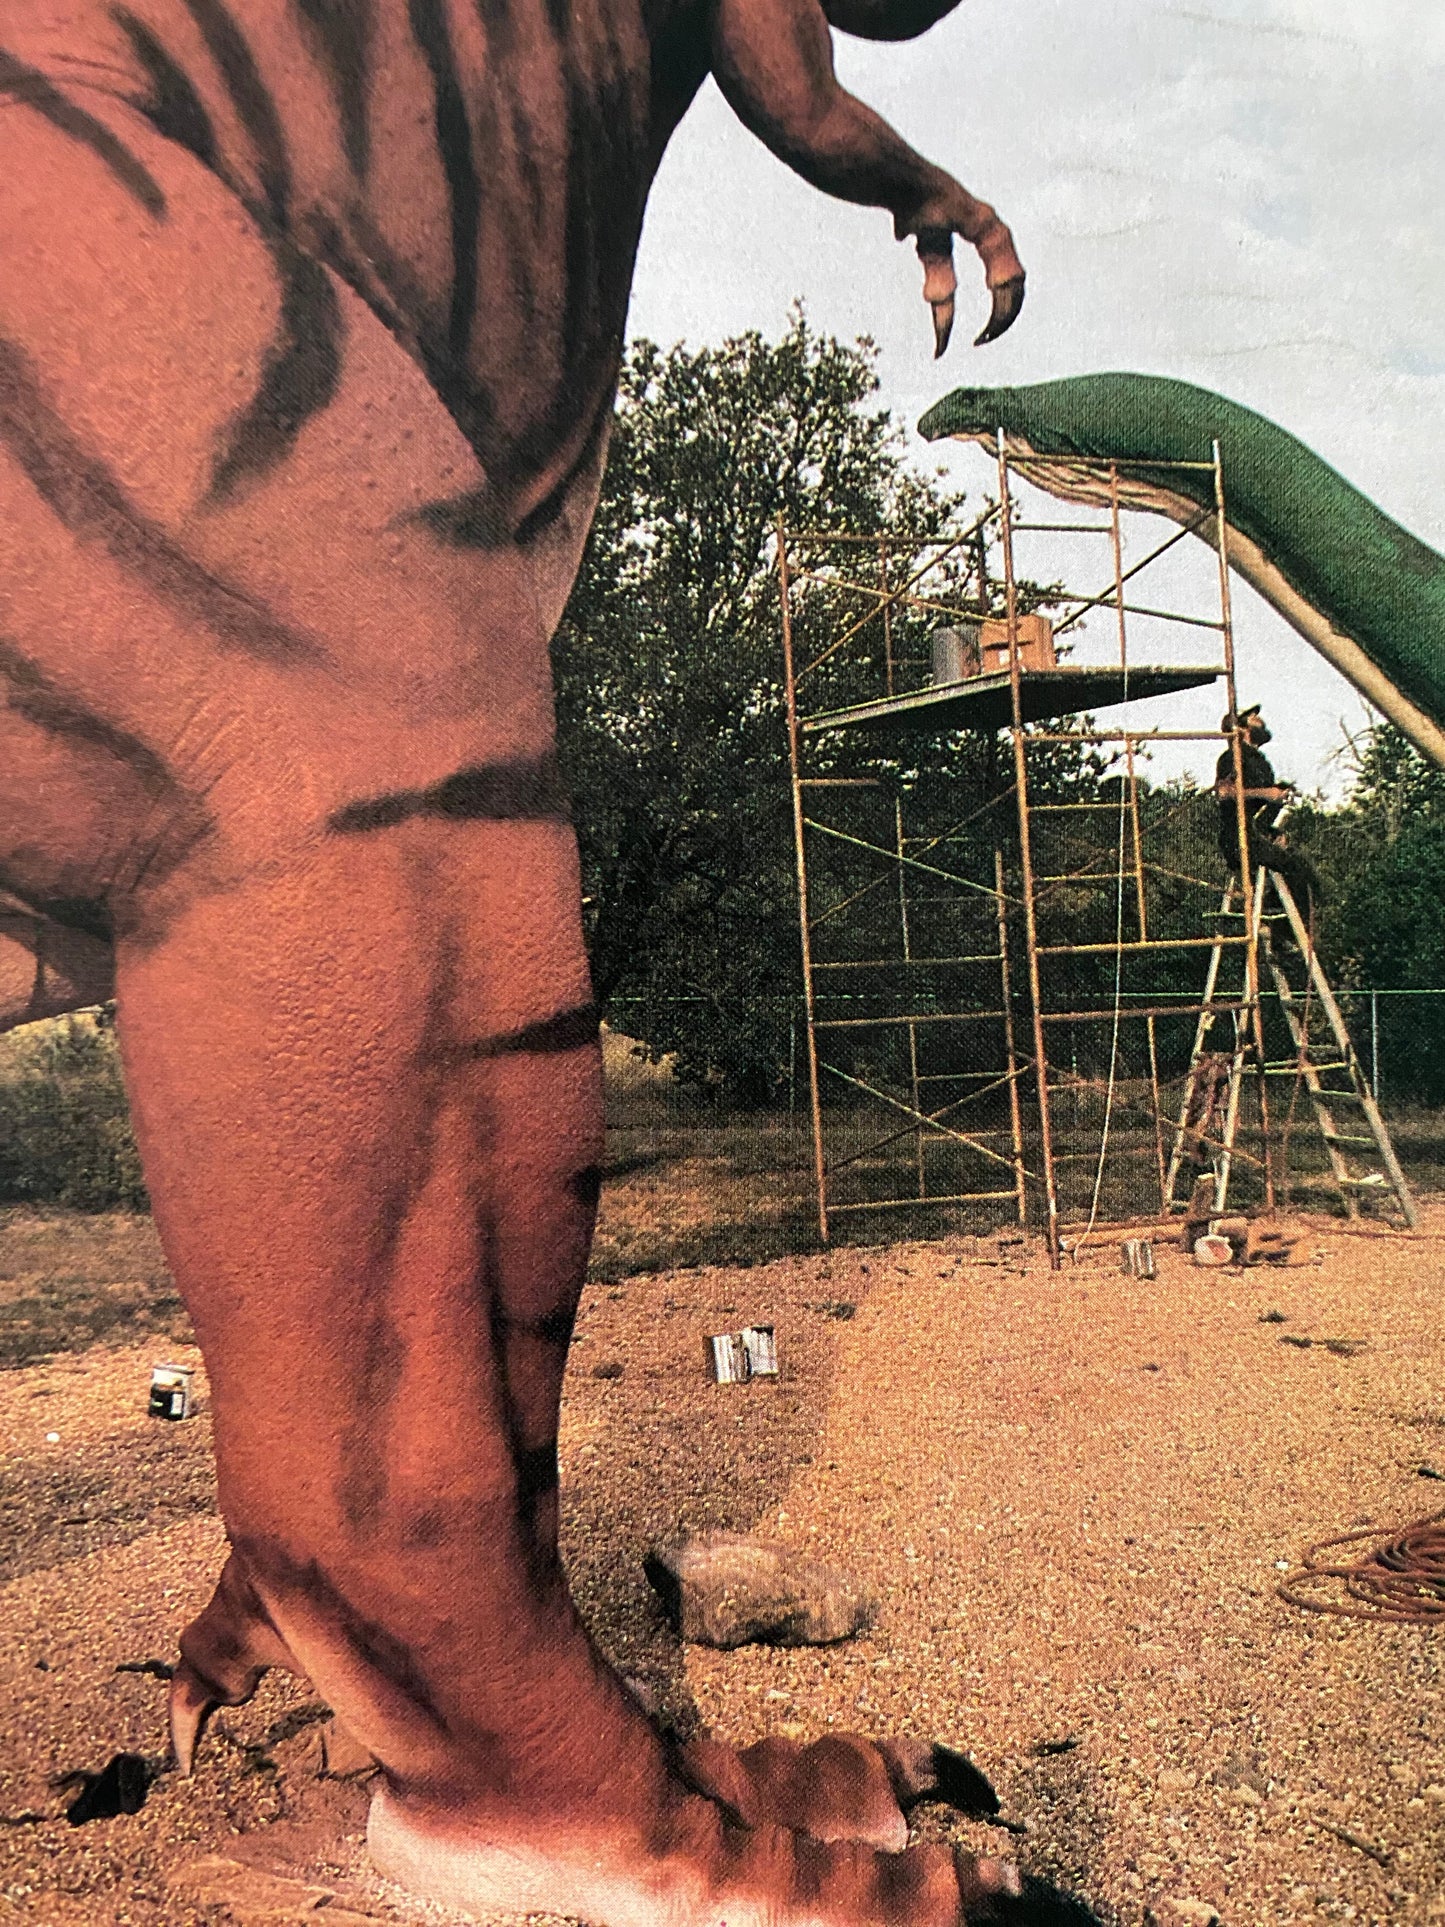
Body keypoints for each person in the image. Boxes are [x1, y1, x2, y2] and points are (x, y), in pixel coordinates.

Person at [1215, 705, 1324, 929]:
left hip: (1255, 834)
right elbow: (1224, 793)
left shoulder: (1259, 760)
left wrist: (1271, 830)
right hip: (1239, 839)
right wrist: (1266, 793)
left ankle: (1280, 923)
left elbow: (1255, 810)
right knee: (1294, 867)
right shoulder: (1231, 757)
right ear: (1241, 728)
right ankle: (1288, 930)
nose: (1259, 719)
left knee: (1299, 866)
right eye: (1253, 717)